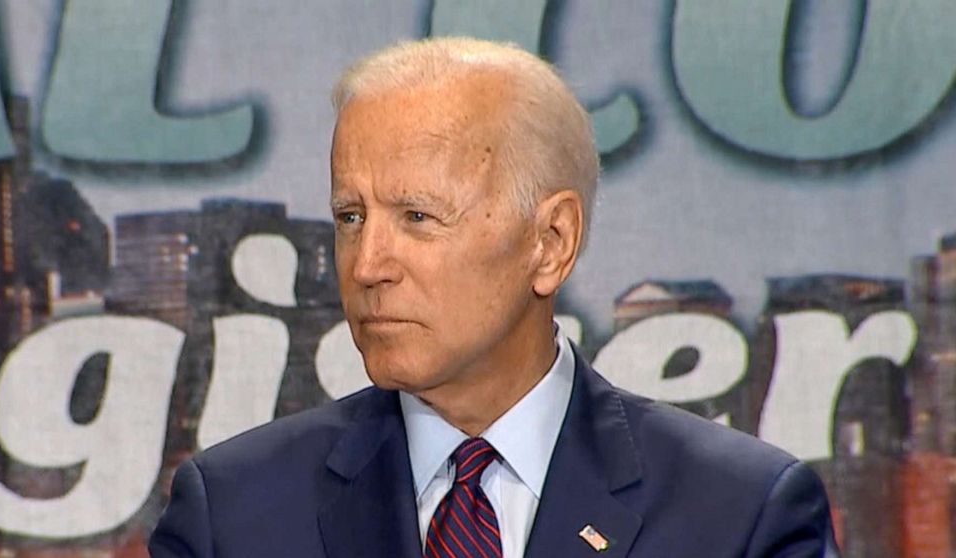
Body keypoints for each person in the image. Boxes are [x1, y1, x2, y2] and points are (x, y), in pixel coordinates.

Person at [149, 37, 838, 557]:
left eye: (417, 217)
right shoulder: (232, 516)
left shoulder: (741, 517)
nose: (367, 265)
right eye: (350, 217)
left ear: (551, 241)